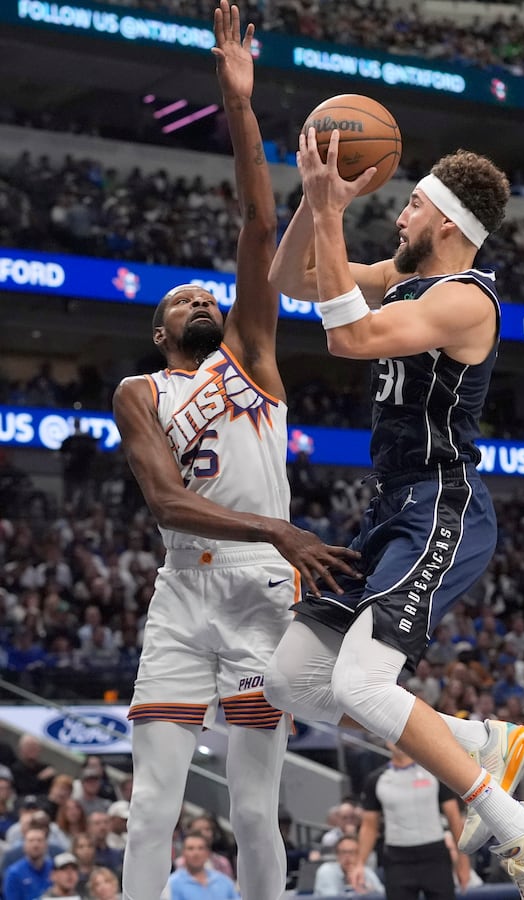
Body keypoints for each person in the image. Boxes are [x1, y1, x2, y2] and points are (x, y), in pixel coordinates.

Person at [264, 133, 524, 900]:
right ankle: (478, 742)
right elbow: (287, 279)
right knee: (290, 681)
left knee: (367, 686)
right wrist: (315, 198)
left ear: (445, 223)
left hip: (444, 503)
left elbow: (347, 337)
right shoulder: (401, 281)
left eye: (410, 204)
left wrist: (336, 212)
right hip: (392, 506)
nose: (397, 215)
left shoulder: (467, 299)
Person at [112, 6, 358, 900]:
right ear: (158, 328)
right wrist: (278, 529)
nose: (196, 298)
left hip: (260, 593)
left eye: (200, 292)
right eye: (179, 299)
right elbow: (168, 502)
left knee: (256, 811)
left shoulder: (251, 353)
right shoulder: (141, 394)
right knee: (149, 809)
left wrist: (239, 104)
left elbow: (259, 226)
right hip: (185, 594)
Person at [357, 742, 470, 900]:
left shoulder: (434, 773)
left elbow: (454, 819)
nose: (397, 742)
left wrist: (463, 862)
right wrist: (359, 864)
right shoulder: (376, 780)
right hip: (397, 859)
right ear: (386, 741)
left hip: (435, 856)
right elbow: (369, 826)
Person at [166, 832, 240, 900]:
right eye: (190, 848)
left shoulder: (224, 881)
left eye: (200, 848)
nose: (196, 853)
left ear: (208, 853)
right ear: (183, 853)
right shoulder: (172, 883)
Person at [312, 835, 384, 897]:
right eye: (343, 852)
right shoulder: (326, 870)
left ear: (359, 855)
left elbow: (382, 894)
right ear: (337, 855)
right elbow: (332, 898)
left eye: (352, 852)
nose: (347, 856)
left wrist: (366, 888)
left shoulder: (366, 871)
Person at [3, 824, 53, 900]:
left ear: (46, 845)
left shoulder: (54, 869)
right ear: (24, 846)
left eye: (40, 840)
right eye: (31, 840)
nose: (35, 845)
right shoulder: (14, 873)